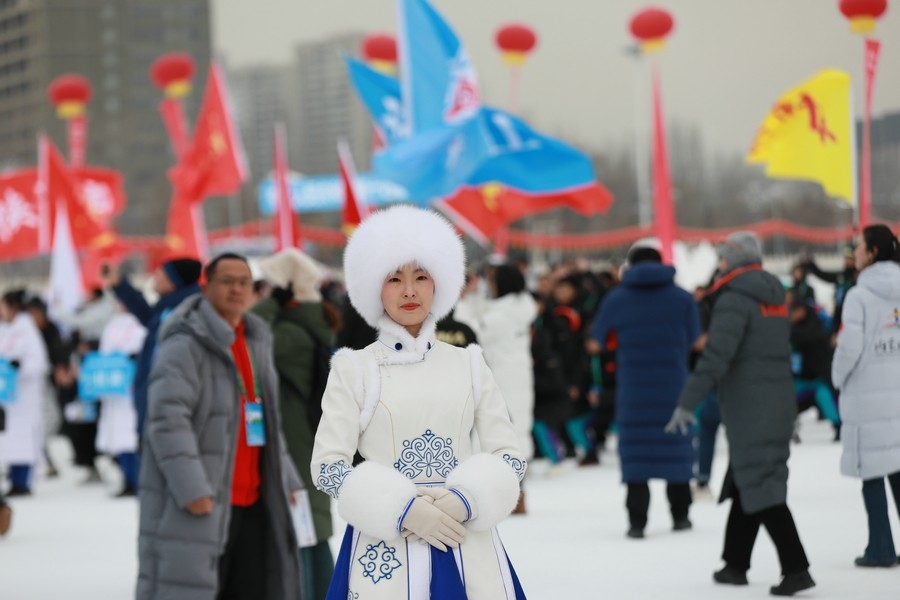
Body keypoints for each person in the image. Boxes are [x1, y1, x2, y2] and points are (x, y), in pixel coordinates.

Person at [311, 205, 527, 599]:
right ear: (375, 288)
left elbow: (509, 456)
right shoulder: (354, 368)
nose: (409, 291)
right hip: (385, 550)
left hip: (464, 538)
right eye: (394, 278)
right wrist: (400, 509)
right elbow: (328, 467)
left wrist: (466, 500)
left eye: (421, 277)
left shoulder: (469, 363)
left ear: (438, 284)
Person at [136, 253, 305, 600]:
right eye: (227, 281)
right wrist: (192, 489)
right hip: (205, 500)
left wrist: (285, 476)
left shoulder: (256, 338)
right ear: (206, 286)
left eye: (244, 282)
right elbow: (168, 419)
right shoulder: (185, 341)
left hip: (254, 498)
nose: (237, 289)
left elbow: (266, 419)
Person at [668, 232, 814, 596]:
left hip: (752, 407)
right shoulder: (773, 295)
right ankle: (735, 564)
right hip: (776, 401)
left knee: (761, 484)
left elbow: (717, 357)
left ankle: (796, 569)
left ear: (734, 260)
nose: (718, 264)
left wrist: (687, 401)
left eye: (722, 257)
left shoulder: (734, 299)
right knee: (747, 476)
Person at [591, 245, 700, 538]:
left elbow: (596, 340)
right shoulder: (682, 298)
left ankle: (637, 522)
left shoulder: (617, 299)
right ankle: (681, 516)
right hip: (674, 387)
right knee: (676, 451)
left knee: (636, 455)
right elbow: (695, 338)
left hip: (633, 390)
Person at [252, 247, 337, 600]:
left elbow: (245, 334)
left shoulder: (287, 333)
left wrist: (269, 304)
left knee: (301, 527)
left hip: (295, 438)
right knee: (310, 527)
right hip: (305, 433)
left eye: (266, 285)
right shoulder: (309, 322)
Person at [831, 224, 900, 568]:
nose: (853, 252)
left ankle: (881, 548)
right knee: (897, 466)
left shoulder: (858, 296)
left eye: (858, 246)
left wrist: (837, 377)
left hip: (867, 394)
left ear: (872, 253)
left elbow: (849, 348)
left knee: (871, 470)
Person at [455, 262, 537, 513]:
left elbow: (468, 329)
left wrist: (462, 300)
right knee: (514, 436)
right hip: (516, 381)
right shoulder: (517, 309)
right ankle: (517, 495)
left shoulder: (501, 317)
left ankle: (512, 498)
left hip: (502, 383)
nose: (488, 285)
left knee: (500, 436)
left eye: (492, 281)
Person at [105, 257, 202, 440]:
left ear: (173, 282)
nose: (154, 279)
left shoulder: (185, 314)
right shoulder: (166, 309)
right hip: (155, 398)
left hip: (170, 402)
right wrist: (119, 284)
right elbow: (145, 313)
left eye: (160, 274)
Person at [0, 290, 49, 496]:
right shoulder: (3, 329)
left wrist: (20, 366)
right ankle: (13, 479)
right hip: (6, 396)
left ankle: (23, 482)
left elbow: (40, 362)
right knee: (8, 440)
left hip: (25, 395)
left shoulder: (27, 329)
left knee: (24, 438)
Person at [94, 305, 147, 497]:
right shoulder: (111, 326)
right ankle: (128, 479)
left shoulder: (141, 322)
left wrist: (136, 358)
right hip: (114, 391)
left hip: (133, 390)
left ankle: (139, 480)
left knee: (133, 438)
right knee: (119, 439)